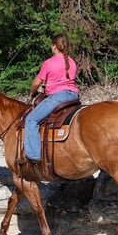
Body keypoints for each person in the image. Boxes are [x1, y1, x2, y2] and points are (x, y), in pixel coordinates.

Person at [23, 33, 79, 162]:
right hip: (73, 96)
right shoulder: (72, 61)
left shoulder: (49, 63)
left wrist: (32, 92)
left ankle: (34, 156)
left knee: (31, 120)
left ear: (54, 46)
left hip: (57, 97)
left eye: (51, 45)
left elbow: (37, 82)